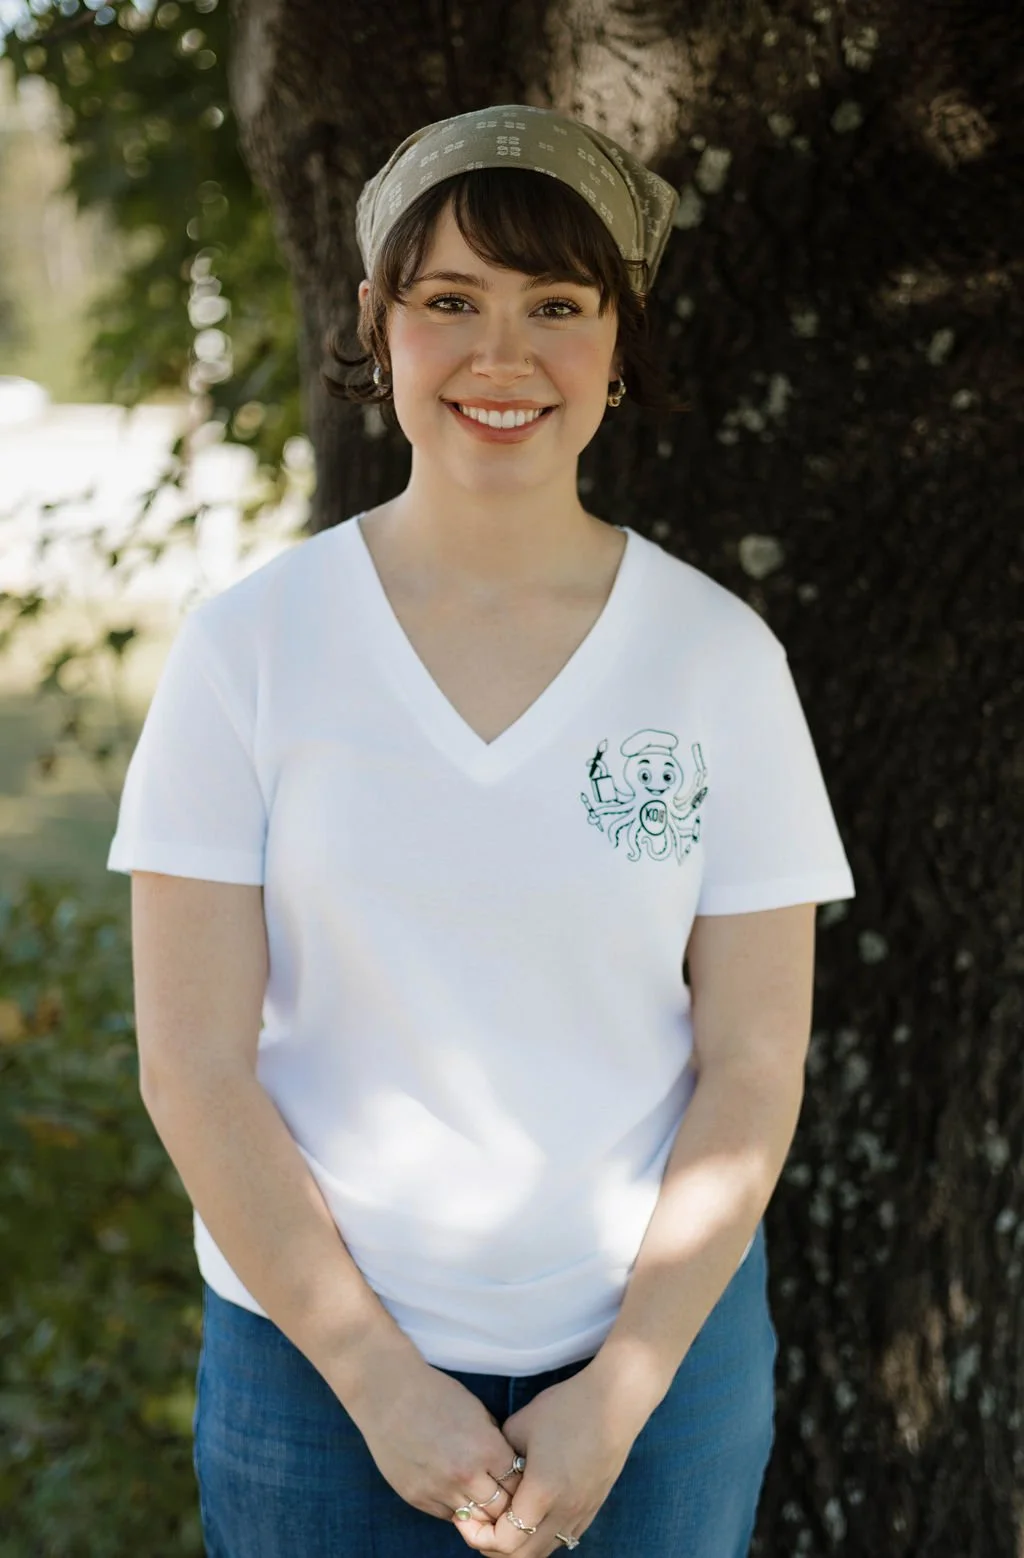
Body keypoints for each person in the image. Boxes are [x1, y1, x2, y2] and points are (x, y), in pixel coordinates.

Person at [107, 103, 856, 1558]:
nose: (500, 356)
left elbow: (756, 1062)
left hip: (658, 1370)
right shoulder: (250, 651)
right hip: (314, 1371)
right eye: (450, 301)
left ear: (619, 343)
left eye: (556, 306)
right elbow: (190, 1061)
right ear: (375, 323)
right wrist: (381, 1382)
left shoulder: (717, 661)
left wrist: (621, 1387)